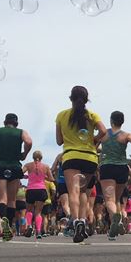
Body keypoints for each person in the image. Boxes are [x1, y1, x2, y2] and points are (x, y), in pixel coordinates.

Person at [55, 86, 107, 243]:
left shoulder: (61, 115)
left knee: (73, 191)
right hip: (90, 158)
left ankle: (76, 220)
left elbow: (59, 141)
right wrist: (95, 140)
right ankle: (83, 221)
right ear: (86, 99)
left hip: (71, 156)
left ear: (70, 98)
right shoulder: (92, 115)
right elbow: (103, 131)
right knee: (84, 191)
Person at [0, 113, 32, 241]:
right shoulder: (20, 132)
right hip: (15, 167)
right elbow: (28, 141)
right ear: (16, 123)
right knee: (12, 200)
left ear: (4, 122)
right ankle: (10, 226)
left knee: (2, 199)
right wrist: (24, 154)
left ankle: (4, 224)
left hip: (0, 166)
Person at [99, 110, 131, 239]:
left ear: (111, 121)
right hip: (122, 168)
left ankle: (115, 220)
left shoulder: (104, 134)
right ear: (122, 122)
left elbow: (93, 145)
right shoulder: (126, 135)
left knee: (109, 200)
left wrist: (101, 151)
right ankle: (117, 224)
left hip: (107, 167)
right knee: (116, 199)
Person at [23, 151, 52, 240]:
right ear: (41, 157)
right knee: (38, 212)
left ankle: (29, 226)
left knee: (29, 210)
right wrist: (44, 177)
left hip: (31, 190)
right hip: (41, 189)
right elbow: (51, 178)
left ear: (33, 157)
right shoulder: (46, 166)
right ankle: (38, 231)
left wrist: (27, 177)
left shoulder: (27, 165)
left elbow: (20, 173)